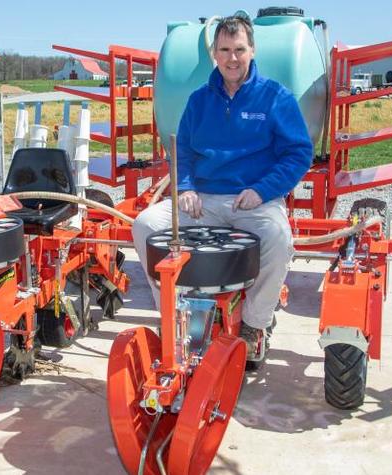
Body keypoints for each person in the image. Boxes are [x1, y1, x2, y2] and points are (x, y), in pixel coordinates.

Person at [132, 14, 313, 362]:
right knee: (145, 226)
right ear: (214, 52)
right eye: (225, 49)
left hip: (254, 202)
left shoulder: (276, 98)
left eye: (240, 50)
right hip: (203, 202)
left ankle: (254, 323)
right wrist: (185, 187)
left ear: (253, 50)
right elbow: (181, 149)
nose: (232, 58)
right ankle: (172, 313)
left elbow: (298, 153)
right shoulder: (199, 101)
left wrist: (262, 190)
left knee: (279, 239)